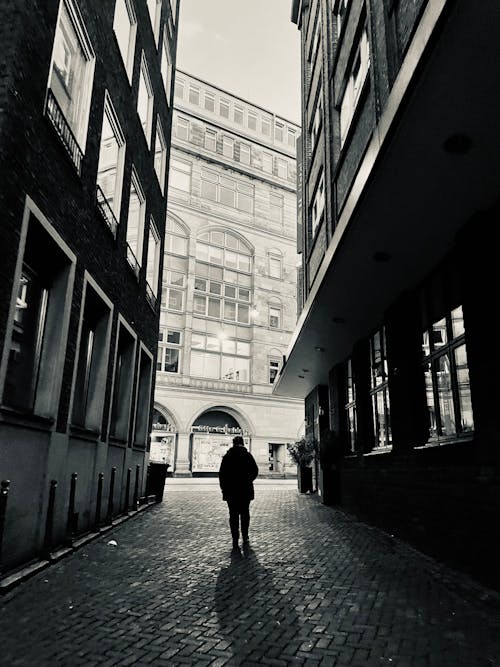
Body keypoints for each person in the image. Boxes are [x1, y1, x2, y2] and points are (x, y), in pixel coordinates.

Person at [219, 435, 259, 550]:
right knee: (245, 513)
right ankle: (245, 536)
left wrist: (224, 488)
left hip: (231, 491)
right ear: (243, 443)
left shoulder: (227, 457)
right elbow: (255, 471)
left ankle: (235, 538)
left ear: (233, 443)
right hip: (245, 490)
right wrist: (248, 480)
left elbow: (222, 474)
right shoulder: (247, 456)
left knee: (233, 515)